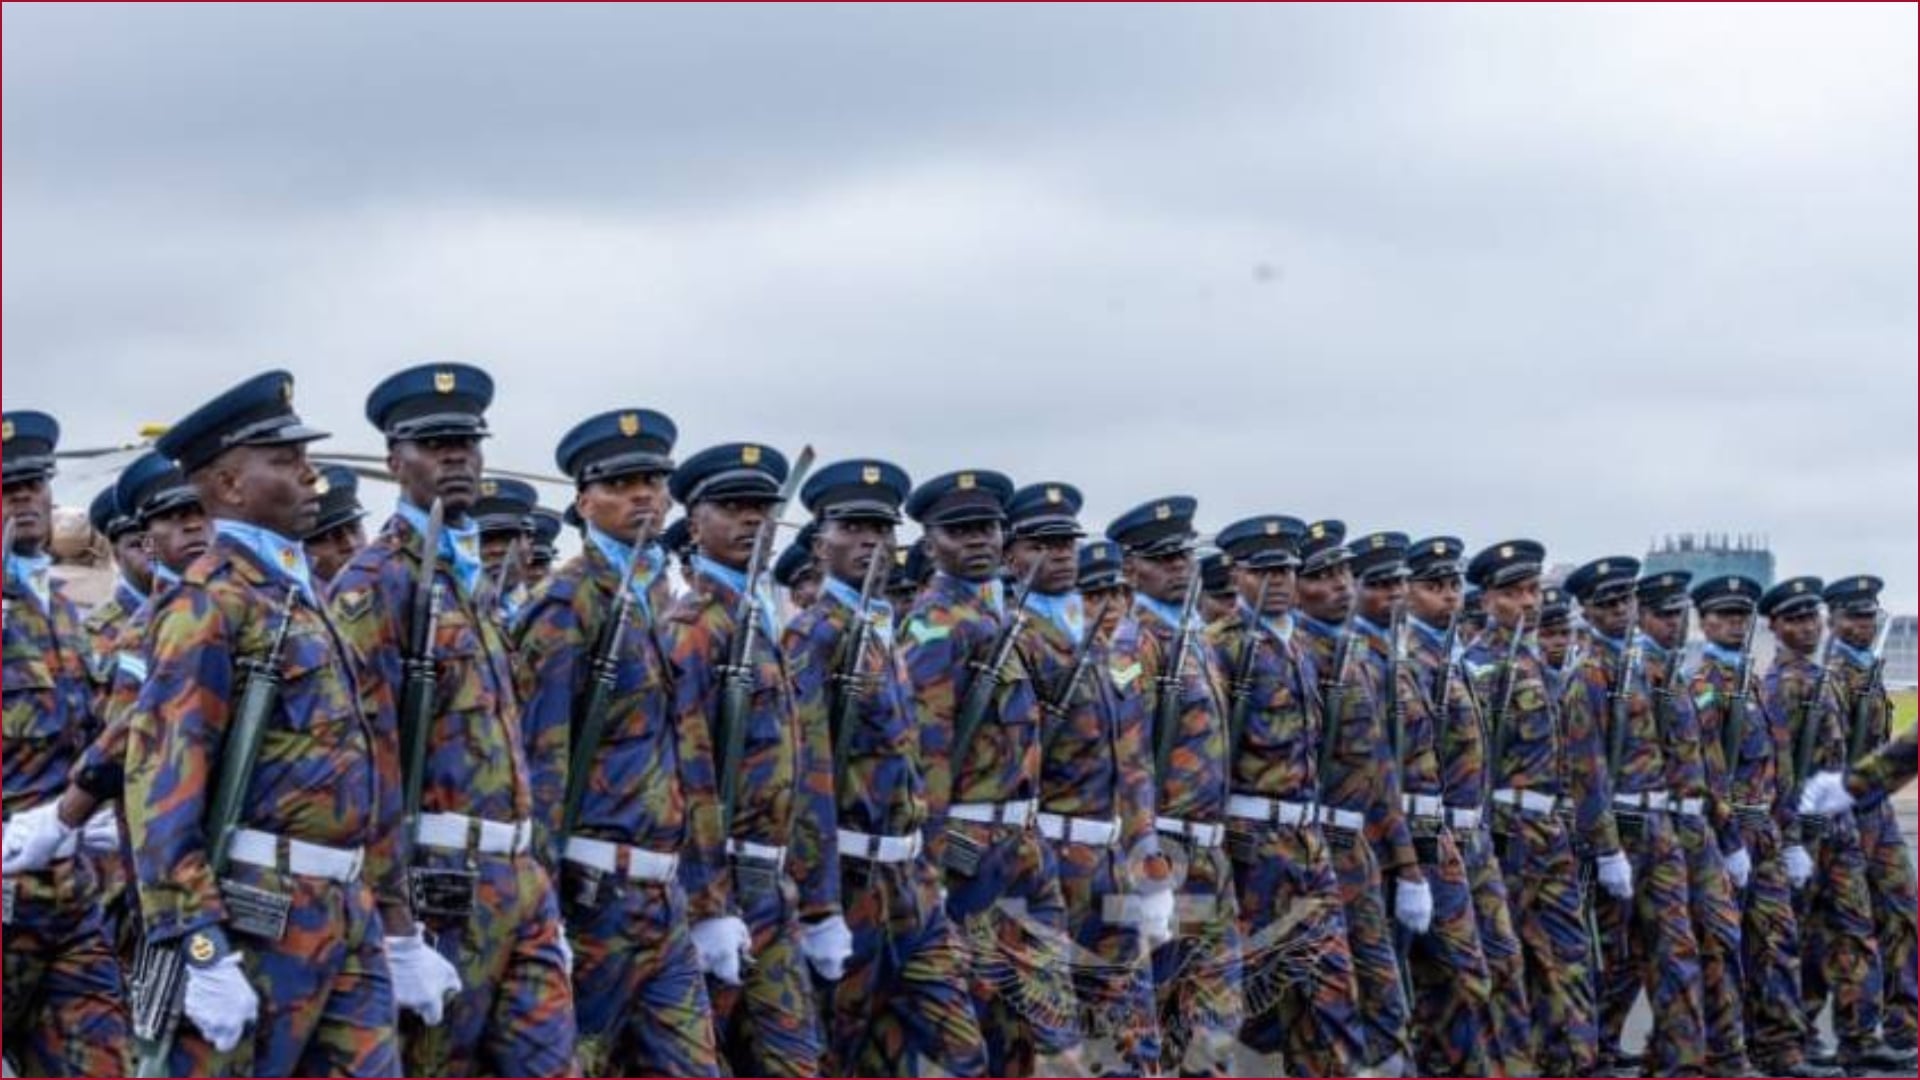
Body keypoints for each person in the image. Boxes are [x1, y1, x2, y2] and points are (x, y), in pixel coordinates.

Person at [329, 363, 576, 1076]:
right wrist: (395, 922)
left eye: (466, 443)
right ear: (393, 462)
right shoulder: (377, 583)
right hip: (435, 882)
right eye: (435, 445)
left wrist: (541, 887)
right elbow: (364, 762)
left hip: (518, 876)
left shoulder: (475, 585)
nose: (456, 458)